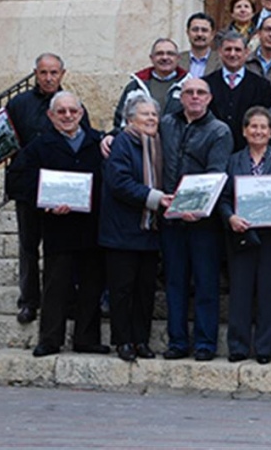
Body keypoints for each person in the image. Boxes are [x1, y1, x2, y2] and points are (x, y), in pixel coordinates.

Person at [0, 53, 93, 325]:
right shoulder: (19, 104)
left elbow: (85, 145)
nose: (49, 78)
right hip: (28, 189)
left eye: (54, 73)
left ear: (63, 74)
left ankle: (64, 300)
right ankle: (28, 301)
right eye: (44, 72)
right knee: (28, 247)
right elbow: (0, 142)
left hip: (64, 193)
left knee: (62, 248)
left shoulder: (72, 104)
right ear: (35, 73)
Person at [15, 91, 106, 358]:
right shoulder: (39, 147)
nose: (67, 116)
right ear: (50, 116)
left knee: (91, 284)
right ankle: (50, 339)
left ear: (81, 114)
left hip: (92, 226)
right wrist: (45, 202)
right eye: (61, 112)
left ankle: (86, 339)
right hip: (57, 227)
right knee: (56, 285)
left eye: (73, 111)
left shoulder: (98, 142)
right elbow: (22, 182)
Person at [159, 78, 234, 361]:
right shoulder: (166, 124)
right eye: (189, 92)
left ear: (209, 98)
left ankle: (205, 344)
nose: (194, 97)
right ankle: (177, 342)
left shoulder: (219, 131)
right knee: (175, 283)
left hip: (204, 221)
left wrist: (196, 206)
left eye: (200, 93)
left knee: (205, 283)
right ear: (180, 97)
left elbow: (216, 173)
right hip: (171, 219)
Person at [218, 107, 271, 364]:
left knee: (269, 291)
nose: (258, 131)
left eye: (263, 127)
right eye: (253, 127)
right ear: (244, 131)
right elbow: (224, 198)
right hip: (242, 233)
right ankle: (238, 346)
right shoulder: (233, 160)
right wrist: (230, 217)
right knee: (240, 290)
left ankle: (263, 348)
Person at [99, 94, 170, 362]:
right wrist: (156, 198)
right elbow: (119, 183)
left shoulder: (156, 144)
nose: (151, 119)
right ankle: (123, 340)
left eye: (154, 114)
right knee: (122, 290)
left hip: (149, 232)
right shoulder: (122, 144)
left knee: (145, 291)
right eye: (145, 115)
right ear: (130, 120)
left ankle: (141, 340)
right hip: (122, 231)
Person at [204, 31, 271, 151]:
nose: (232, 54)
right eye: (228, 49)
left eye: (237, 50)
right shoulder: (206, 84)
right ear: (220, 52)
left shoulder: (262, 86)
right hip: (212, 150)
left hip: (248, 153)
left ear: (246, 52)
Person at [112, 38, 187, 132]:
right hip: (140, 143)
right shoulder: (136, 86)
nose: (164, 57)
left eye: (170, 54)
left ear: (178, 58)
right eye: (159, 53)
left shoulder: (188, 86)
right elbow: (121, 119)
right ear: (152, 58)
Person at [178, 12, 221, 78]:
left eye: (204, 30)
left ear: (212, 34)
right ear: (187, 33)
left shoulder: (222, 61)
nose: (199, 34)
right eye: (195, 30)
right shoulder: (176, 60)